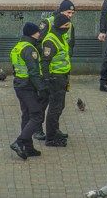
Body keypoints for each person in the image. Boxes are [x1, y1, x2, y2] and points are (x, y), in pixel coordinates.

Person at [34, 0, 75, 141]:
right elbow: (38, 43)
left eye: (72, 13)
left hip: (61, 72)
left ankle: (53, 130)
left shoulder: (68, 24)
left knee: (58, 105)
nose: (70, 16)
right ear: (61, 11)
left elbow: (71, 44)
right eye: (68, 12)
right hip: (49, 72)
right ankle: (37, 128)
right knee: (43, 101)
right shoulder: (48, 23)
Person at [9, 22, 48, 160]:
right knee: (37, 115)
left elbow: (15, 68)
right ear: (33, 33)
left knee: (26, 115)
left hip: (19, 84)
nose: (40, 34)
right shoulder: (29, 49)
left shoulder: (17, 47)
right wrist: (42, 89)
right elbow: (34, 72)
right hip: (28, 86)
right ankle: (19, 142)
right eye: (38, 32)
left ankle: (28, 147)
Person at [40, 14, 73, 147]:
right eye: (66, 26)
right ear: (59, 26)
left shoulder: (61, 36)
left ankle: (55, 130)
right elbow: (45, 63)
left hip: (63, 76)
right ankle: (51, 137)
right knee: (54, 108)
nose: (68, 28)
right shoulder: (50, 41)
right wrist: (47, 80)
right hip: (55, 78)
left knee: (60, 106)